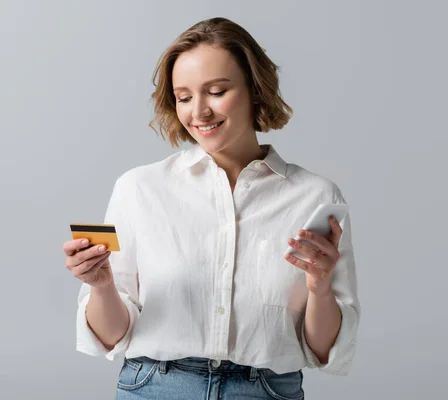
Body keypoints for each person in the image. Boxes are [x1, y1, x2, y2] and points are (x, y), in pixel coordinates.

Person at [63, 17, 360, 399]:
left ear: (255, 89)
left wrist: (319, 289)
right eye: (184, 97)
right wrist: (101, 286)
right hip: (155, 388)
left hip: (266, 391)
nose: (198, 112)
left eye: (216, 91)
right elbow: (110, 336)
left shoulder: (315, 196)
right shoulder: (139, 189)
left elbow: (324, 350)